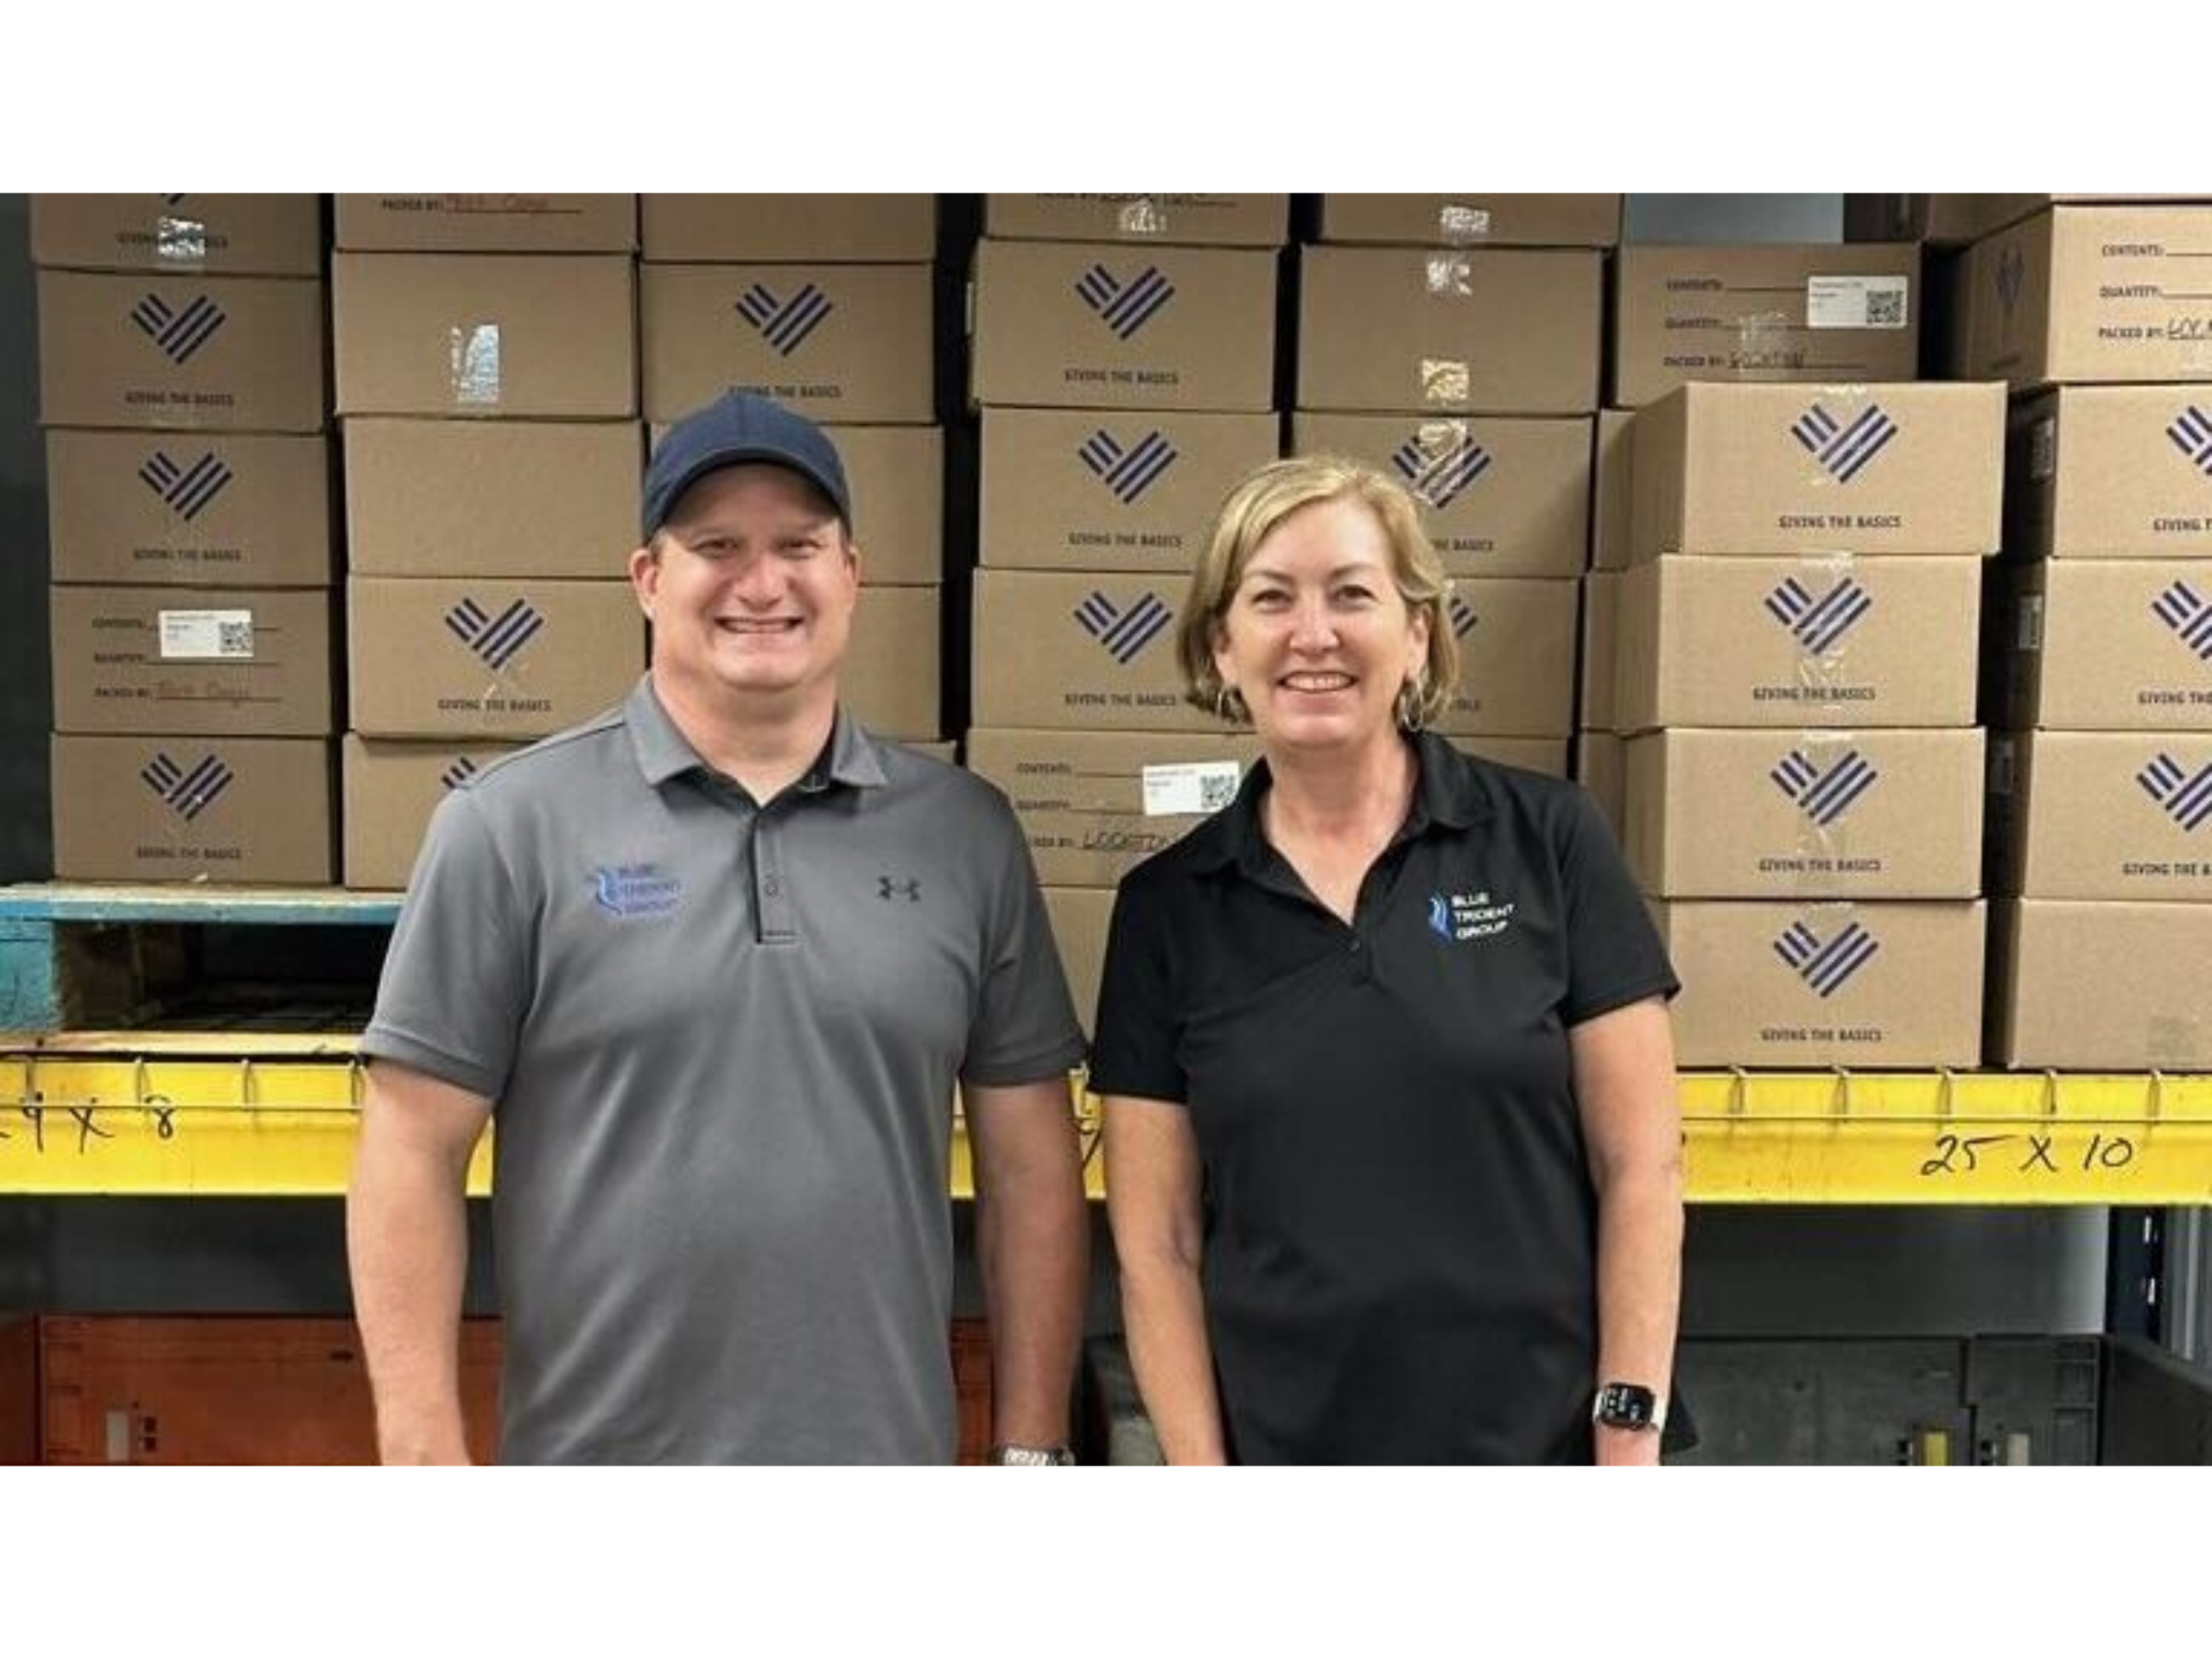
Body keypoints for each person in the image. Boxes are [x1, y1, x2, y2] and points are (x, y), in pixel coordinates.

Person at [347, 391, 1090, 1465]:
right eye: (716, 547)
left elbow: (1030, 1168)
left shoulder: (964, 836)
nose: (762, 581)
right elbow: (411, 1151)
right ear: (648, 579)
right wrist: (421, 1447)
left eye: (799, 545)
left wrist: (1031, 1447)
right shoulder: (509, 827)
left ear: (851, 575)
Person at [1093, 455, 1682, 1465]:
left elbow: (1642, 1166)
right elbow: (1157, 1245)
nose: (1311, 635)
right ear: (1221, 650)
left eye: (1351, 594)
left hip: (1543, 1443)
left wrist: (1626, 1433)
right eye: (1270, 598)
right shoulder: (1166, 910)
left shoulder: (1546, 839)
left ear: (1416, 636)